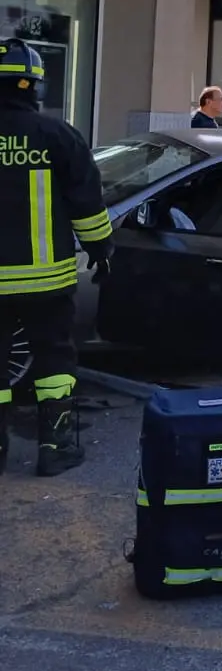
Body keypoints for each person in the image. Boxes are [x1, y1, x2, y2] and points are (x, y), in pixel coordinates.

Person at [0, 39, 113, 476]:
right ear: (35, 86)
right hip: (46, 283)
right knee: (54, 361)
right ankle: (56, 448)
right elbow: (88, 205)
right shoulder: (59, 136)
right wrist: (102, 250)